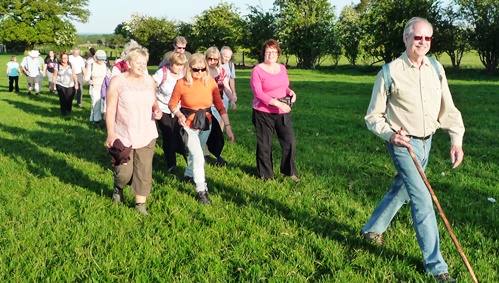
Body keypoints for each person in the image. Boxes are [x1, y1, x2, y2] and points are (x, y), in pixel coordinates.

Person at [361, 17, 464, 283]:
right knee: (422, 199)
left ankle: (372, 228)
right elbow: (373, 117)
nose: (423, 42)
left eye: (428, 38)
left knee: (405, 188)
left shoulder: (435, 68)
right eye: (418, 37)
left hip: (427, 140)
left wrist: (456, 139)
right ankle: (436, 267)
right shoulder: (389, 72)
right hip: (403, 143)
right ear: (406, 38)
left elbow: (448, 107)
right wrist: (391, 135)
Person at [169, 53, 235, 205]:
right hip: (188, 125)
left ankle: (188, 174)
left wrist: (228, 126)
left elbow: (220, 106)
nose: (199, 73)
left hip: (206, 124)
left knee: (196, 151)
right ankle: (202, 191)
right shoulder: (181, 83)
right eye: (195, 70)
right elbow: (172, 104)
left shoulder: (210, 82)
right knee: (198, 156)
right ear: (188, 69)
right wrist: (178, 114)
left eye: (202, 69)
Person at [106, 46, 163, 216]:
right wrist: (111, 133)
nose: (141, 65)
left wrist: (157, 110)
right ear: (129, 63)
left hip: (146, 133)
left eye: (144, 63)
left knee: (144, 171)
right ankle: (118, 187)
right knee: (124, 173)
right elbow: (109, 110)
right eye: (138, 62)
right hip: (123, 134)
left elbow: (154, 101)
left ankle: (140, 205)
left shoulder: (150, 81)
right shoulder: (118, 81)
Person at [250, 39, 299, 183]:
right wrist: (276, 103)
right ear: (263, 53)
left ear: (278, 53)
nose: (270, 54)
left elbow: (284, 86)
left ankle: (289, 172)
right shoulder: (257, 70)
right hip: (263, 112)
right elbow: (258, 93)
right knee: (265, 145)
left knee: (289, 142)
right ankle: (266, 175)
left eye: (273, 51)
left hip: (283, 112)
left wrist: (291, 92)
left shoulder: (282, 68)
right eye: (268, 51)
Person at [152, 51, 188, 174]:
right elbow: (152, 87)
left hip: (177, 109)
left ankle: (186, 159)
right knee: (168, 133)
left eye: (181, 65)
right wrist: (154, 105)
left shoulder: (183, 74)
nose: (179, 68)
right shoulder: (162, 73)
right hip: (162, 107)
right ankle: (171, 164)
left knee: (178, 133)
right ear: (171, 63)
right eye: (177, 65)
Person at [205, 47, 236, 166]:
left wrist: (232, 97)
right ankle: (206, 153)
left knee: (217, 130)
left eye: (215, 59)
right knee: (206, 129)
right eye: (210, 58)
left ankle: (218, 155)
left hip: (219, 103)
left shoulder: (222, 71)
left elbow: (226, 86)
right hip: (205, 105)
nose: (212, 61)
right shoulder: (202, 71)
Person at [85, 50, 109, 126]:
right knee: (96, 104)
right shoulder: (91, 65)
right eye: (100, 59)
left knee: (103, 104)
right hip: (95, 88)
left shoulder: (105, 65)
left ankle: (100, 119)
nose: (101, 61)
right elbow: (86, 78)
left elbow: (108, 74)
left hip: (104, 88)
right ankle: (96, 121)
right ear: (96, 58)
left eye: (103, 59)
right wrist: (89, 81)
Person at [51, 52, 79, 116]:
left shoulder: (71, 65)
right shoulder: (57, 65)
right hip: (60, 84)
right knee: (63, 98)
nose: (65, 59)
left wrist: (76, 83)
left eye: (66, 58)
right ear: (61, 58)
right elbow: (55, 76)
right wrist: (52, 84)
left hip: (70, 84)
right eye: (63, 58)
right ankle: (63, 112)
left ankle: (68, 110)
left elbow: (74, 75)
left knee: (69, 99)